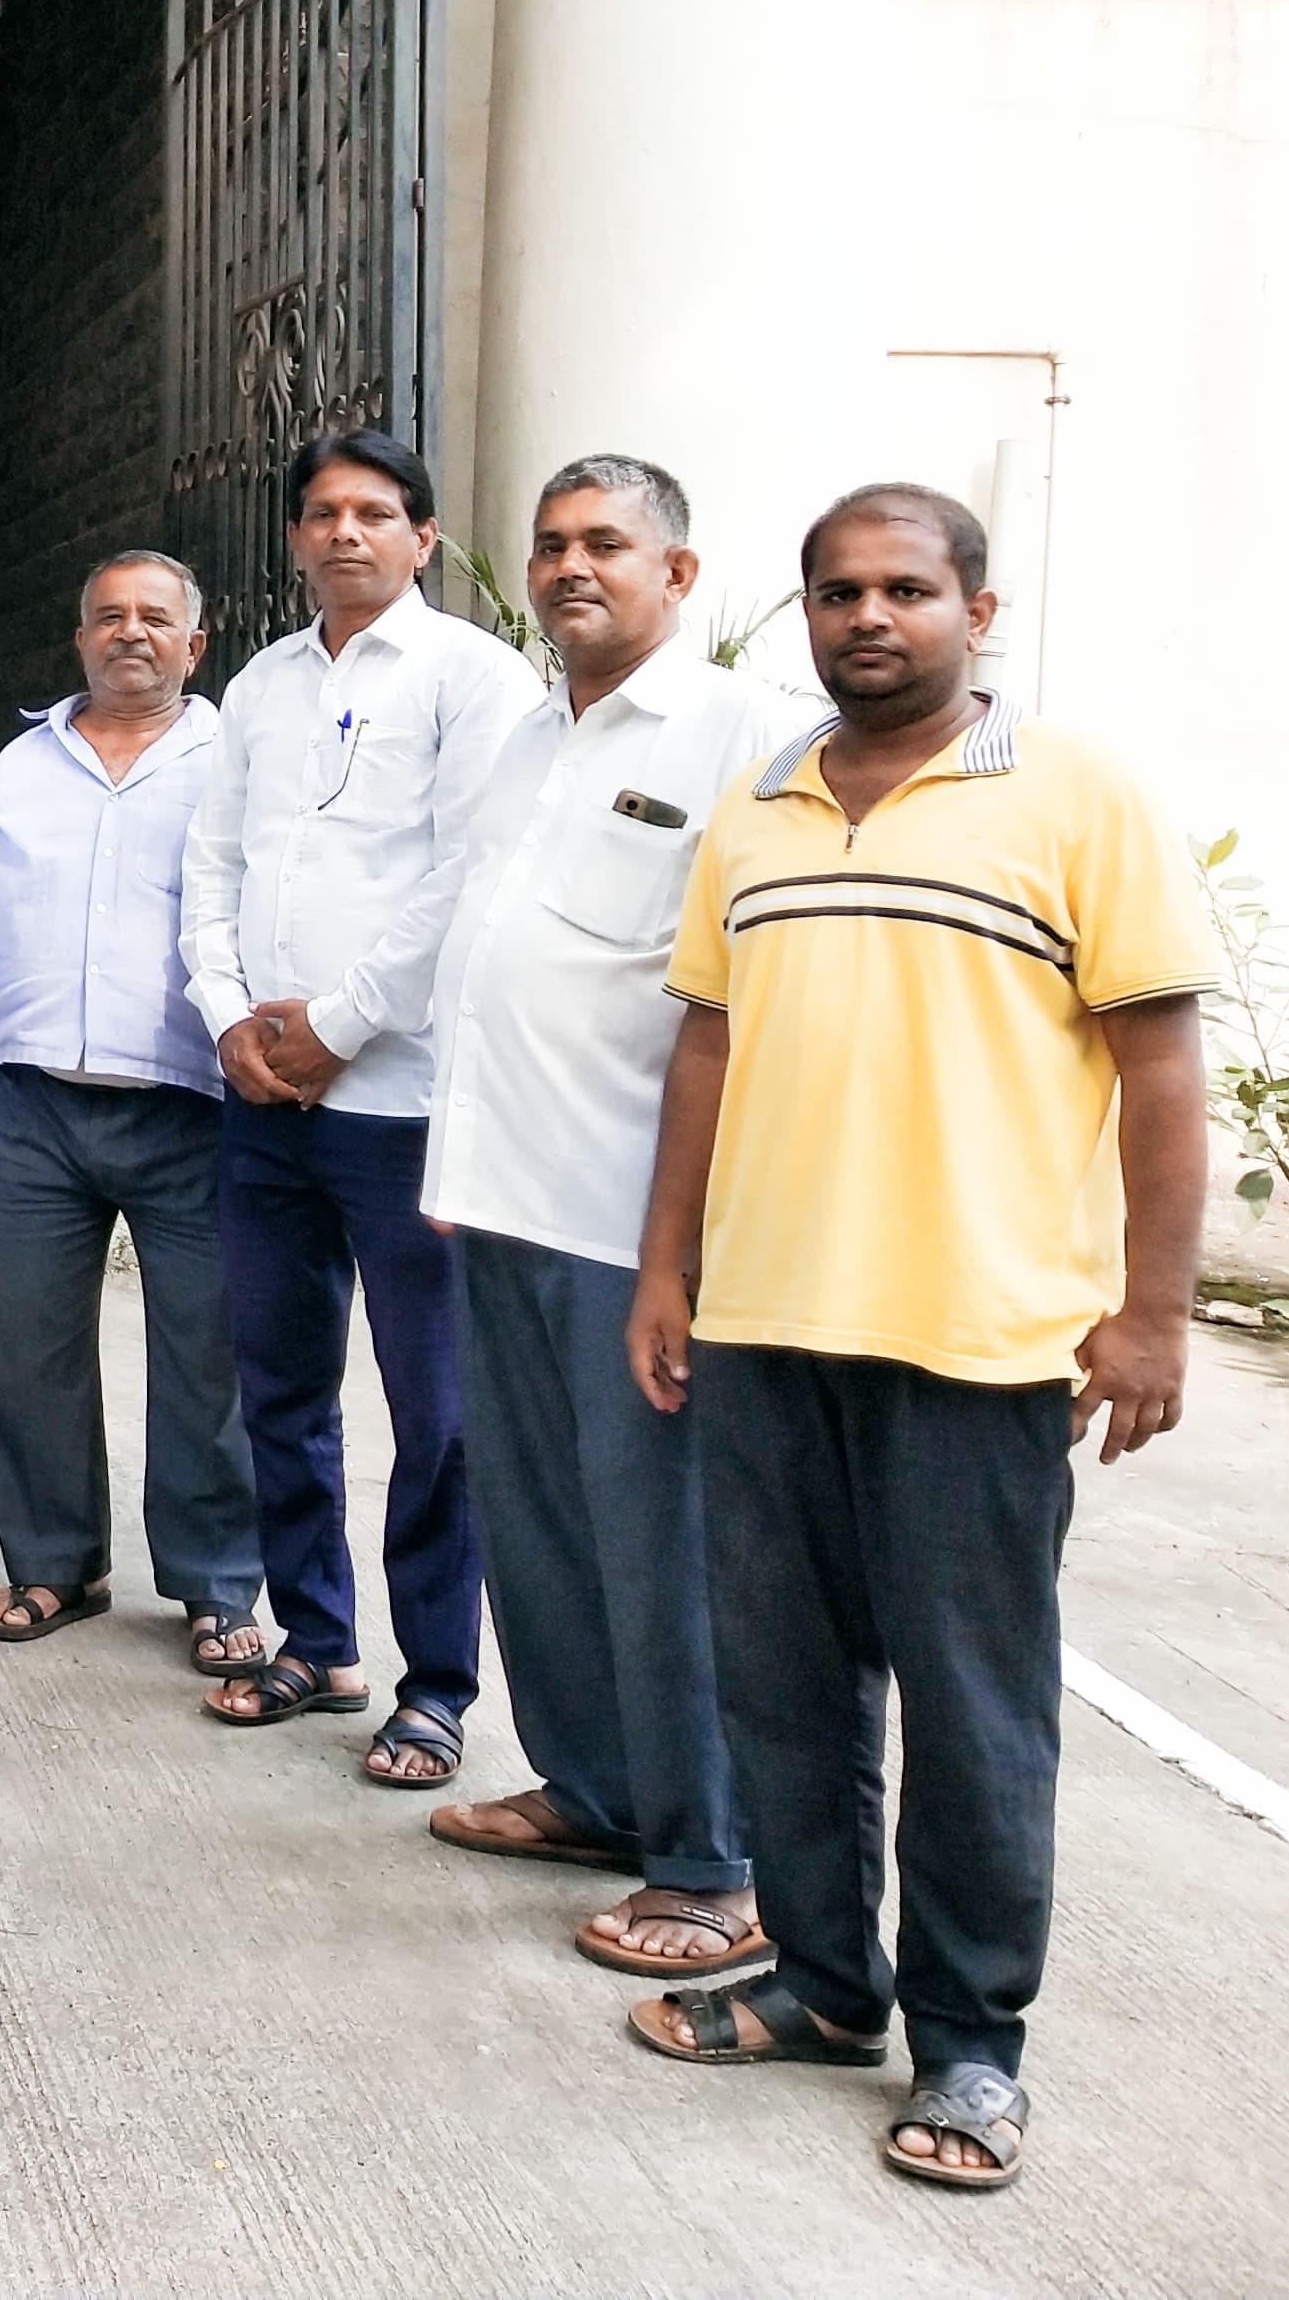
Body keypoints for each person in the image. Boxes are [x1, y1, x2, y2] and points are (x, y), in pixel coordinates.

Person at [622, 484, 1208, 2196]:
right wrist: (668, 1268)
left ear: (979, 606)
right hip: (766, 1320)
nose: (867, 615)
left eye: (904, 587)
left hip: (978, 1334)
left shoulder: (1075, 796)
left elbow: (1161, 1064)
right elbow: (706, 1052)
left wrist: (1153, 1307)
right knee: (786, 1692)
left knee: (970, 1705)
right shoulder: (761, 803)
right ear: (798, 611)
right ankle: (816, 1983)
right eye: (834, 590)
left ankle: (969, 2040)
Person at [419, 458, 811, 1978]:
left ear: (681, 574)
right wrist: (456, 1167)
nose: (573, 568)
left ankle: (715, 1863)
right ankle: (592, 1789)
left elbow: (757, 1003)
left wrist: (693, 1239)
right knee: (541, 1526)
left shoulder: (752, 743)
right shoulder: (532, 737)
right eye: (554, 545)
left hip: (634, 1224)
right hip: (503, 1201)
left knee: (665, 1547)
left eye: (608, 546)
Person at [181, 427, 539, 1788]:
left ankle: (436, 1682)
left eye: (376, 514)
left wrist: (333, 1028)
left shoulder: (474, 680)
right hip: (264, 1097)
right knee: (277, 1379)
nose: (346, 534)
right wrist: (228, 1015)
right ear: (292, 538)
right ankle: (317, 1640)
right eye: (322, 513)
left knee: (433, 1410)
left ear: (424, 537)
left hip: (403, 1100)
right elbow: (212, 863)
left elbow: (467, 877)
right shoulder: (267, 686)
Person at [0, 551, 262, 1671]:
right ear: (78, 641)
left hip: (193, 1107)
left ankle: (216, 1585)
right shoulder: (18, 770)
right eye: (107, 618)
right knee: (27, 1349)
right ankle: (55, 1562)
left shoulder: (237, 769)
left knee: (209, 1357)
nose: (130, 634)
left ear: (194, 645)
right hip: (31, 1111)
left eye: (154, 619)